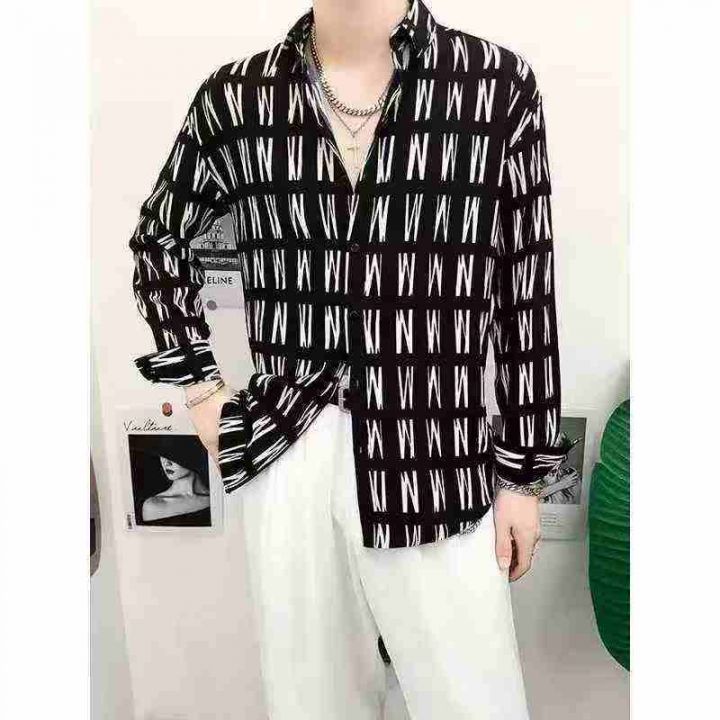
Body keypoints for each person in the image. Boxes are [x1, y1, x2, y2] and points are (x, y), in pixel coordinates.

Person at [127, 1, 572, 716]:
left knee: (473, 698)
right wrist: (202, 389)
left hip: (436, 446)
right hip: (289, 444)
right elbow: (160, 241)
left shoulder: (494, 85)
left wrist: (523, 475)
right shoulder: (238, 97)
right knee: (312, 700)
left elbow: (526, 286)